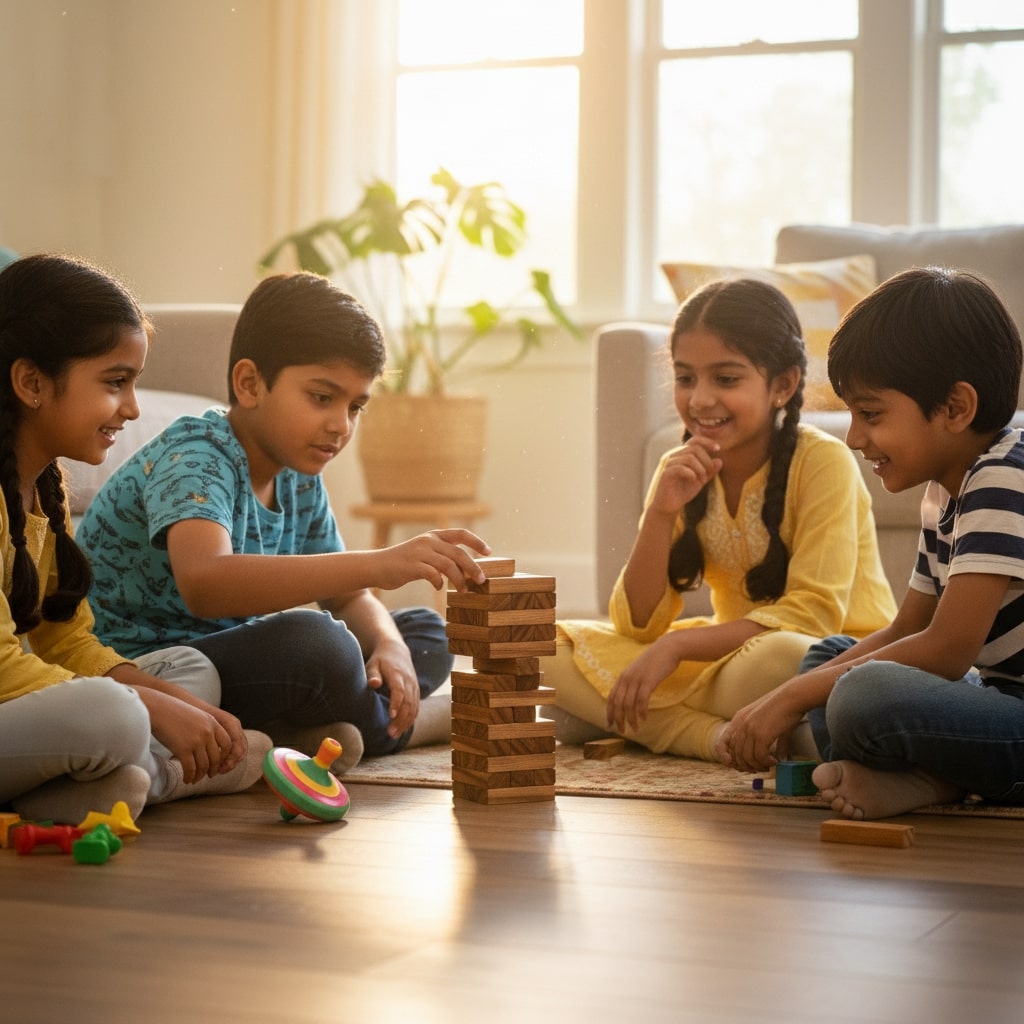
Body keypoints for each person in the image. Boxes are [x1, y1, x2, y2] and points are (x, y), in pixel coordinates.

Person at [78, 271, 491, 773]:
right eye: (322, 397)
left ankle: (326, 724)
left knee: (424, 630)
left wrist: (390, 646)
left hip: (243, 659)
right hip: (163, 669)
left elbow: (348, 597)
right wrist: (379, 564)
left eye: (355, 405)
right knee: (319, 644)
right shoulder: (195, 455)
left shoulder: (298, 473)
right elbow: (205, 584)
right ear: (250, 384)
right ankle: (401, 723)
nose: (341, 424)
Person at [717, 267, 1024, 819]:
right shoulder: (946, 490)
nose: (855, 437)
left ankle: (931, 778)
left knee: (861, 694)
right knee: (827, 658)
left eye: (871, 414)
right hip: (1001, 699)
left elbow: (948, 650)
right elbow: (910, 627)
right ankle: (924, 778)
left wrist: (790, 699)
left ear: (955, 408)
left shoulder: (1005, 477)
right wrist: (801, 689)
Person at [548, 278, 896, 761]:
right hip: (726, 660)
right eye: (686, 378)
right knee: (544, 648)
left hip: (823, 659)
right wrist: (659, 511)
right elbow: (637, 628)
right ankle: (718, 739)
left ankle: (640, 718)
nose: (700, 400)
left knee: (784, 658)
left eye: (726, 379)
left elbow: (812, 619)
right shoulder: (680, 467)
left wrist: (672, 653)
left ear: (783, 384)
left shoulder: (823, 461)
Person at [0, 254, 271, 825]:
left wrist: (175, 703)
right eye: (115, 382)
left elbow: (65, 643)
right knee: (114, 714)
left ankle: (95, 793)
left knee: (192, 672)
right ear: (31, 382)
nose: (132, 408)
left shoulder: (44, 494)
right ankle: (158, 775)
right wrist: (147, 707)